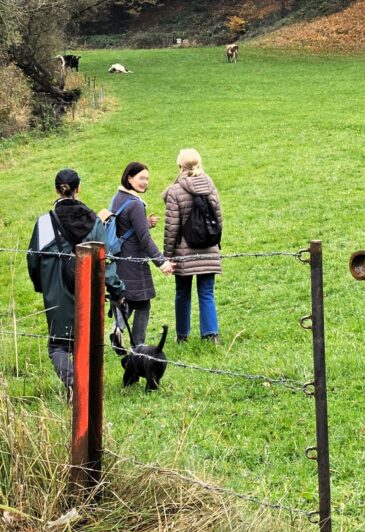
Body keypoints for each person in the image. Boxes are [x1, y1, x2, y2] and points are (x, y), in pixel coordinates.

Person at [27, 168, 126, 391]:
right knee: (87, 341)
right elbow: (105, 263)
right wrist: (117, 290)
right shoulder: (93, 221)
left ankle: (75, 385)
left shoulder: (43, 223)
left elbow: (32, 260)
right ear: (78, 189)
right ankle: (87, 390)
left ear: (56, 190)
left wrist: (43, 286)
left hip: (56, 291)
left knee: (59, 345)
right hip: (88, 290)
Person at [105, 162, 174, 348]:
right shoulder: (135, 204)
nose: (145, 182)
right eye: (141, 178)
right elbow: (144, 239)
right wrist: (162, 262)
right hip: (134, 261)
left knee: (129, 299)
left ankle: (118, 329)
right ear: (129, 178)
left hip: (120, 259)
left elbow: (125, 225)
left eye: (147, 178)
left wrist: (145, 222)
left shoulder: (117, 197)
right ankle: (137, 345)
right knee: (143, 304)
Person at [162, 149, 222, 344]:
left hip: (183, 250)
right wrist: (215, 242)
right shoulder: (210, 185)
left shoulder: (175, 190)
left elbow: (172, 226)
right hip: (208, 246)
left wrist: (167, 256)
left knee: (182, 293)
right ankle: (211, 335)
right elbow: (218, 218)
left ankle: (182, 335)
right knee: (206, 292)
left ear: (180, 166)